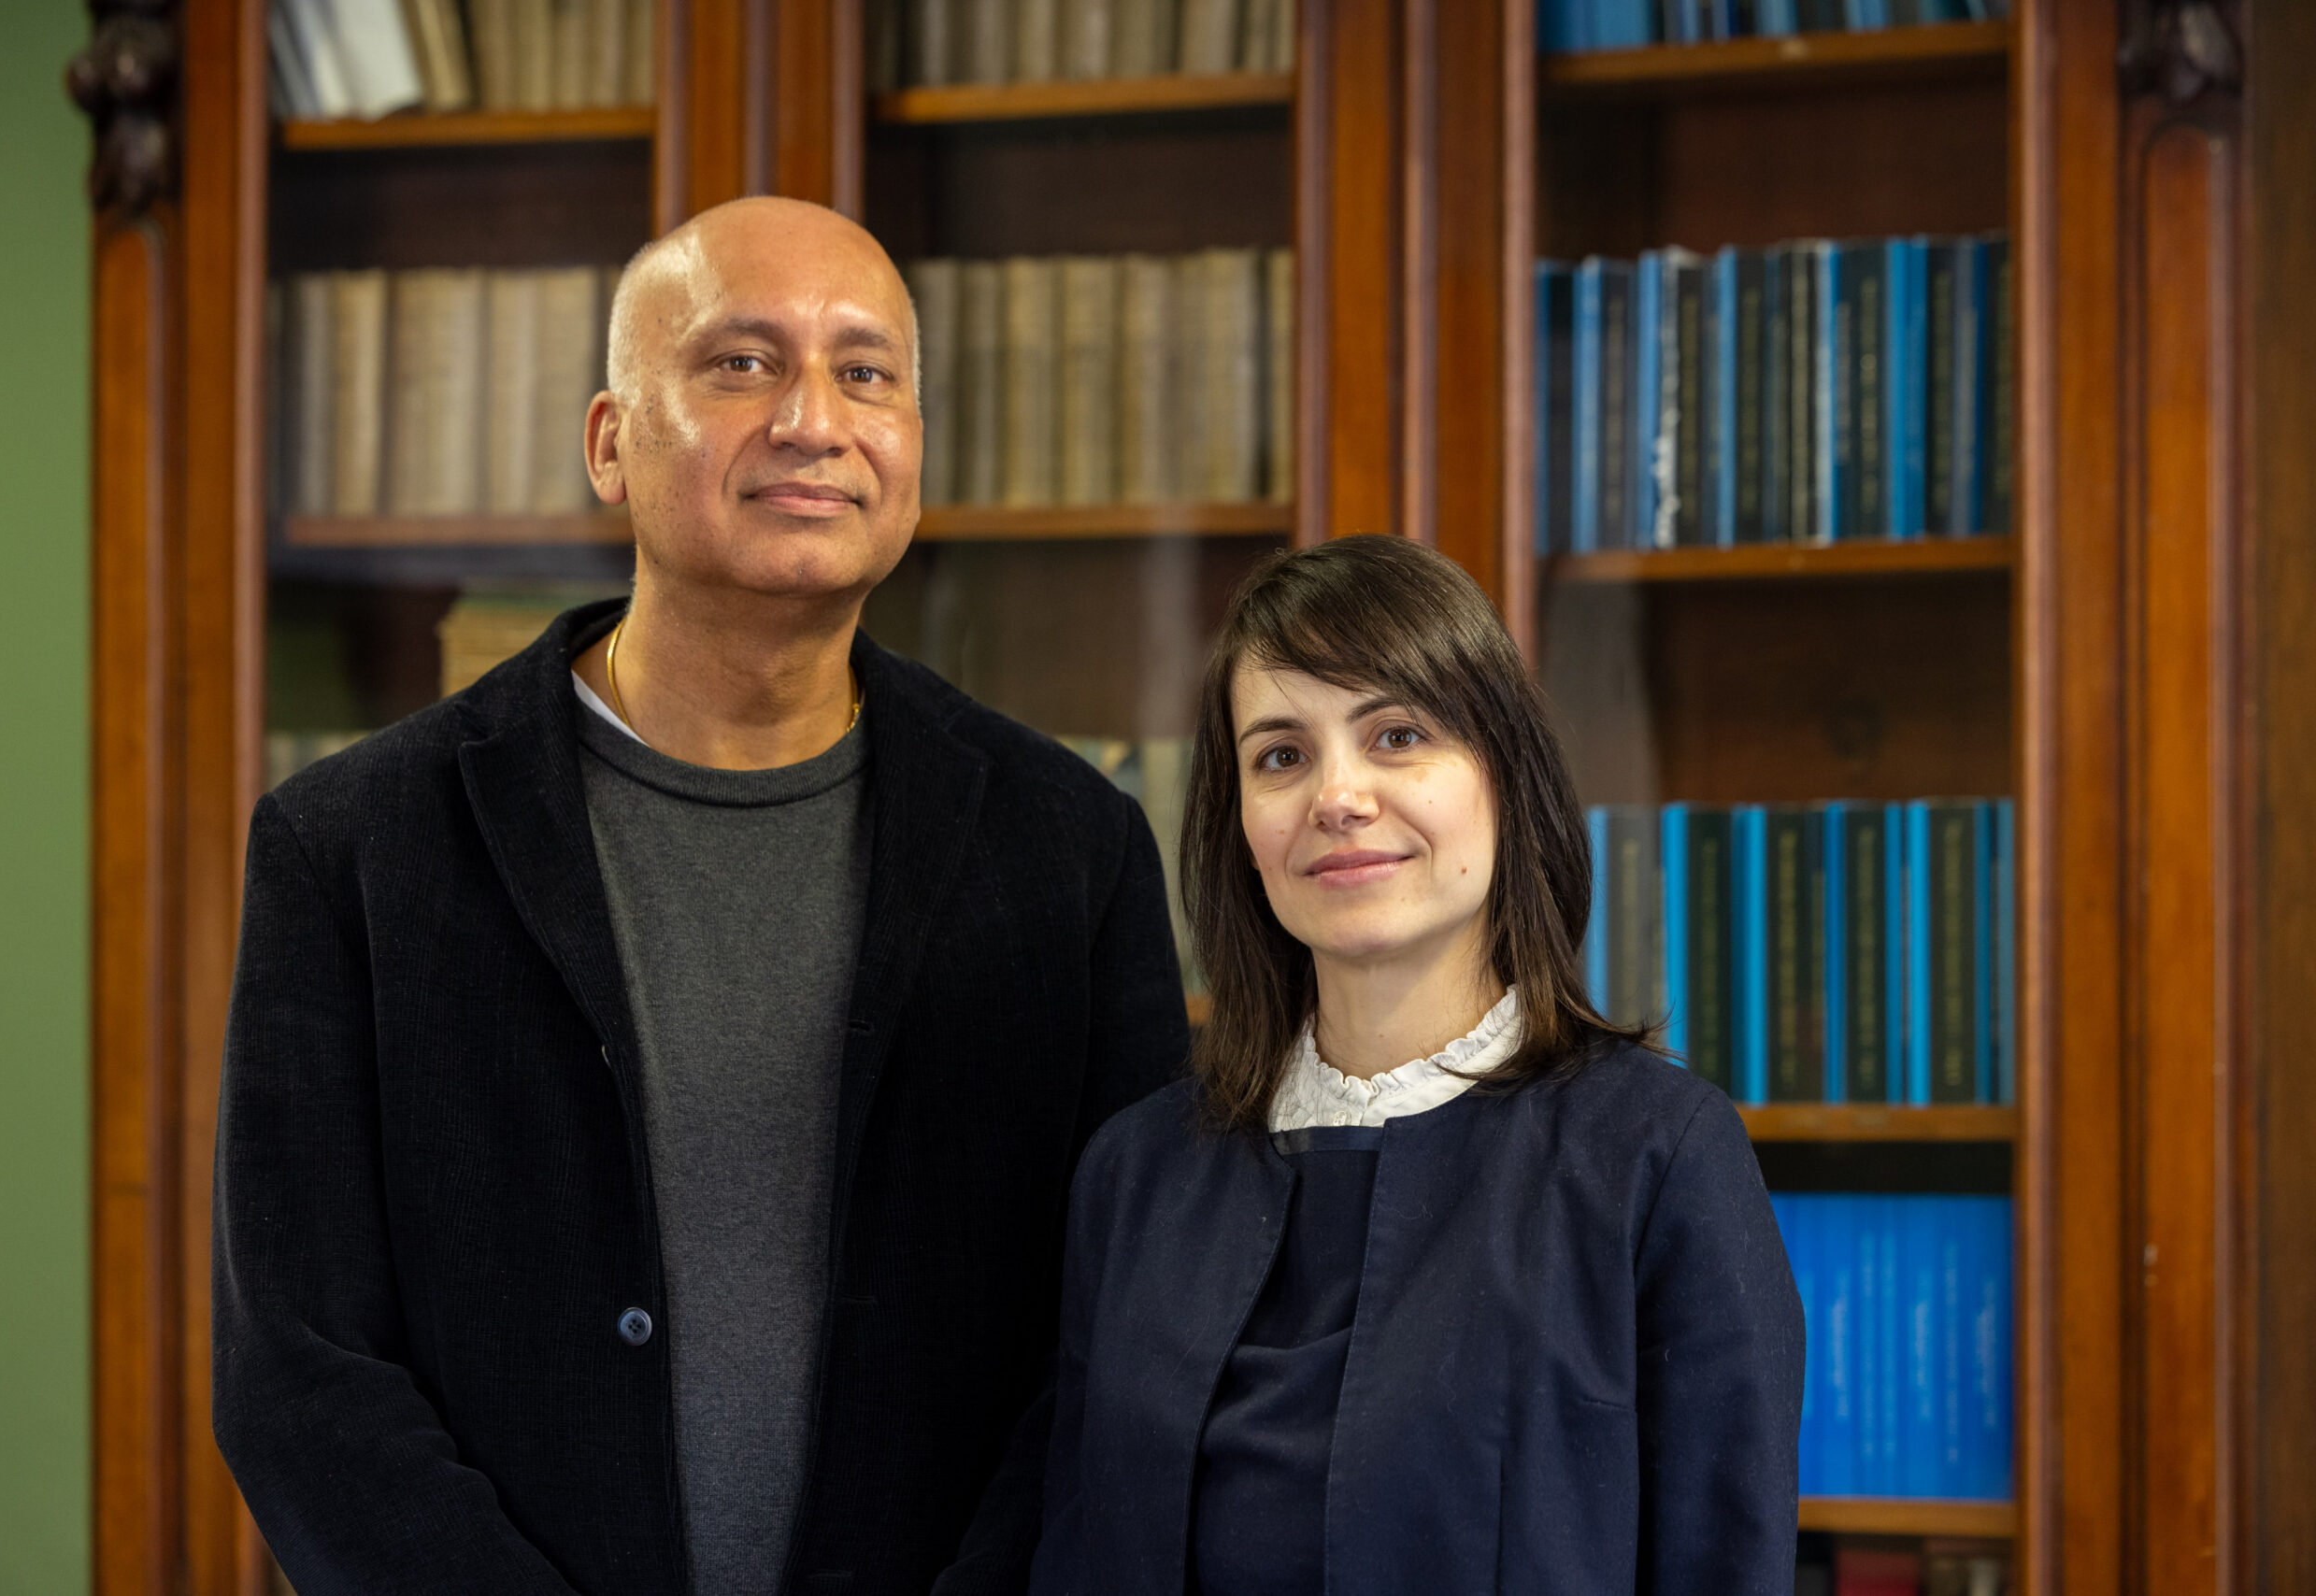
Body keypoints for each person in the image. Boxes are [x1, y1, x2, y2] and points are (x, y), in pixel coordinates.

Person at [212, 196, 1188, 1596]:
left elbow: (1122, 1342)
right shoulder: (353, 849)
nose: (813, 418)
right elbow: (295, 1372)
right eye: (741, 364)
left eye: (867, 372)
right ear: (610, 443)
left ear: (915, 448)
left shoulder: (1070, 848)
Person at [1030, 535, 1803, 1596]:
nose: (1336, 797)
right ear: (1240, 827)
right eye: (1281, 754)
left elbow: (1723, 1561)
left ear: (1503, 779)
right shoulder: (1136, 1177)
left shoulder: (1655, 1157)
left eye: (1397, 734)